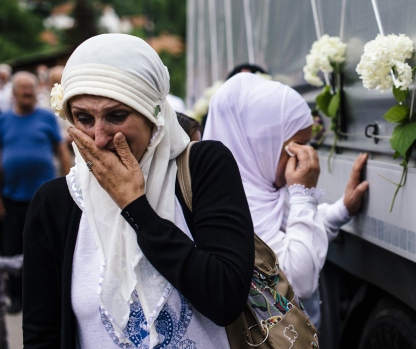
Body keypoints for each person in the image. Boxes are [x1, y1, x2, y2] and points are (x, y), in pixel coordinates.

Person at [22, 34, 255, 348]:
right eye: (84, 118)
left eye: (117, 115)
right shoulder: (56, 203)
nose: (100, 137)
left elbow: (224, 298)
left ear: (153, 113)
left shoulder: (203, 168)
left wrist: (135, 206)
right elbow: (42, 334)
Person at [203, 72, 368, 329]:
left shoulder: (264, 188)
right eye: (296, 147)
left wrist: (343, 209)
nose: (306, 156)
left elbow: (295, 231)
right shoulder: (232, 207)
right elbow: (299, 281)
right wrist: (303, 192)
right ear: (261, 145)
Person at [0, 71, 73, 314]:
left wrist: (68, 185)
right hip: (11, 196)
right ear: (14, 93)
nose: (28, 93)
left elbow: (62, 151)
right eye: (23, 89)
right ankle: (16, 296)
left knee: (45, 246)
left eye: (31, 89)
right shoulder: (4, 120)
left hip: (42, 196)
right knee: (11, 249)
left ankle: (47, 295)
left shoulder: (46, 117)